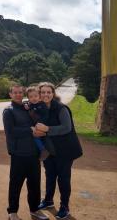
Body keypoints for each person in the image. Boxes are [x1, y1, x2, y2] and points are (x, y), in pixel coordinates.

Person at [33, 82, 83, 219]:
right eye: (43, 92)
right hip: (49, 151)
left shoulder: (61, 109)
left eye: (48, 92)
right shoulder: (40, 109)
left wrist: (47, 130)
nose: (45, 95)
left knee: (63, 179)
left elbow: (66, 128)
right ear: (39, 94)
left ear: (53, 94)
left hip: (65, 151)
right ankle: (48, 201)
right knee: (50, 176)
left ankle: (64, 207)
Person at [3, 84, 49, 220]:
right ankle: (12, 212)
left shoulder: (27, 107)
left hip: (34, 154)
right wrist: (30, 130)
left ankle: (35, 209)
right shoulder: (8, 111)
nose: (18, 95)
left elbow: (39, 121)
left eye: (20, 92)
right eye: (15, 92)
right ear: (10, 94)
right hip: (18, 154)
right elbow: (11, 132)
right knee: (15, 184)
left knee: (35, 184)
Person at [23, 86, 54, 161]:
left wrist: (40, 124)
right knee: (34, 136)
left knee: (37, 137)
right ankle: (41, 150)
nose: (34, 98)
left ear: (39, 96)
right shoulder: (30, 105)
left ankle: (43, 150)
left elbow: (46, 115)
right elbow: (25, 103)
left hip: (42, 125)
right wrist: (26, 104)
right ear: (28, 98)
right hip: (34, 126)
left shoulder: (42, 104)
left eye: (36, 96)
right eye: (31, 97)